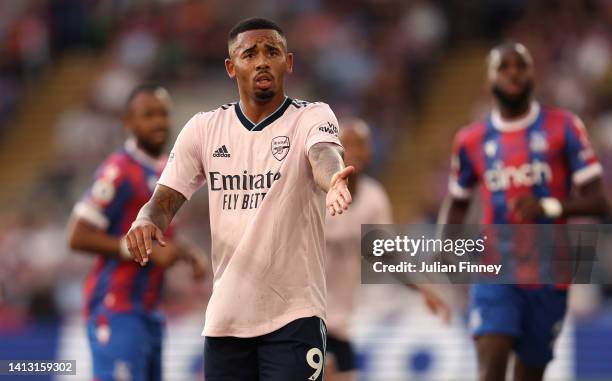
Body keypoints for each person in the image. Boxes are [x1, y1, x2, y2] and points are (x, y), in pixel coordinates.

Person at [125, 18, 354, 381]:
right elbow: (165, 198)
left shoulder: (312, 116)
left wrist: (333, 181)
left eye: (272, 52)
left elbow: (323, 153)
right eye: (250, 53)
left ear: (288, 62)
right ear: (232, 67)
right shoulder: (204, 128)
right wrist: (146, 219)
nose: (262, 61)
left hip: (294, 317)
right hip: (226, 322)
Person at [438, 42, 608, 381]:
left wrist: (548, 205)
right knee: (491, 367)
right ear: (490, 81)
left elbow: (600, 201)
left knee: (529, 375)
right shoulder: (471, 140)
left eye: (521, 65)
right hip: (495, 269)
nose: (513, 72)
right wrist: (447, 244)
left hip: (549, 273)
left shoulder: (564, 127)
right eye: (504, 66)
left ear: (533, 75)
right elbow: (457, 202)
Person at [67, 84, 206, 381]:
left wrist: (188, 253)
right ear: (128, 122)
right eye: (148, 115)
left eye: (163, 114)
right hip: (117, 307)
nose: (158, 122)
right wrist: (138, 249)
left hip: (150, 310)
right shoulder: (118, 171)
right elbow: (77, 235)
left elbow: (162, 236)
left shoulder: (166, 170)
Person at [324, 118, 450, 381]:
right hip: (308, 313)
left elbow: (387, 253)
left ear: (370, 154)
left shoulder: (373, 198)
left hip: (343, 320)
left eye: (360, 146)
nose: (354, 152)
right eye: (347, 145)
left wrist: (423, 288)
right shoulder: (316, 194)